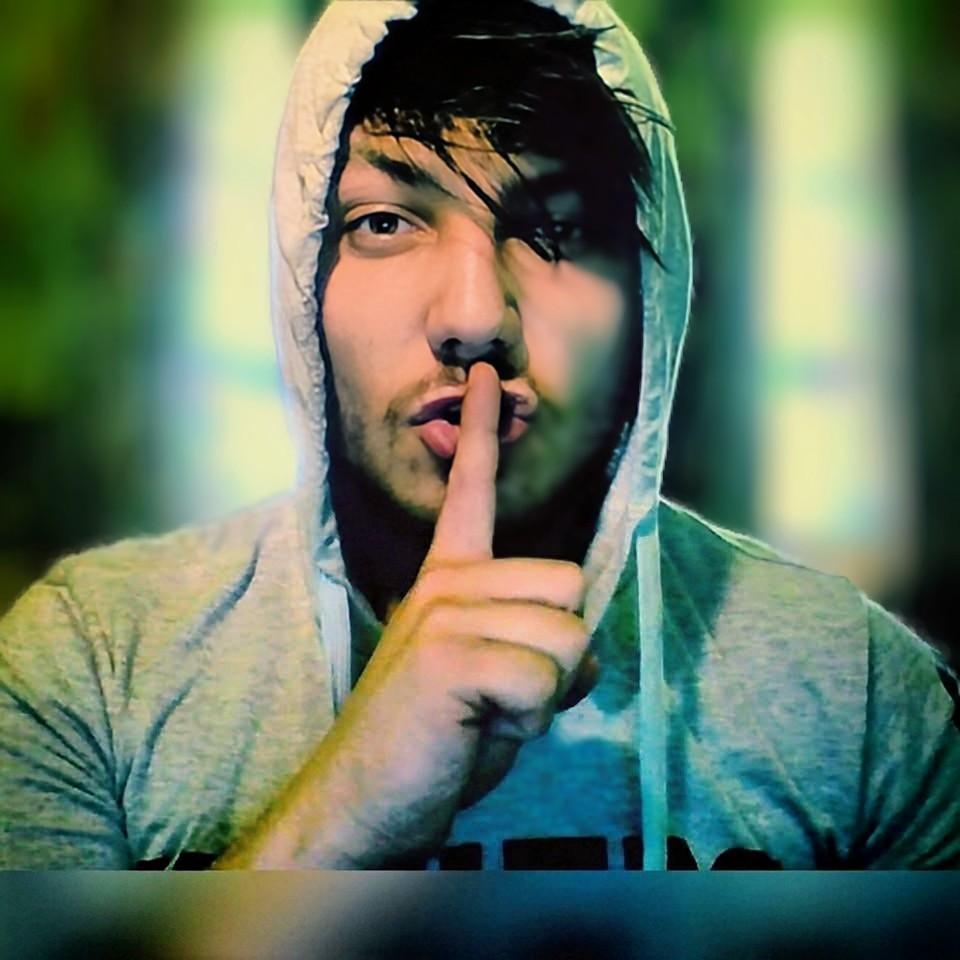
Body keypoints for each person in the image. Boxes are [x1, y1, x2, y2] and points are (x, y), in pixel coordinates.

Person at [2, 0, 958, 871]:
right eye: (384, 222)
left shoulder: (857, 691)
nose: (473, 318)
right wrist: (343, 816)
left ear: (648, 304)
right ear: (303, 280)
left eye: (556, 230)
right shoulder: (92, 668)